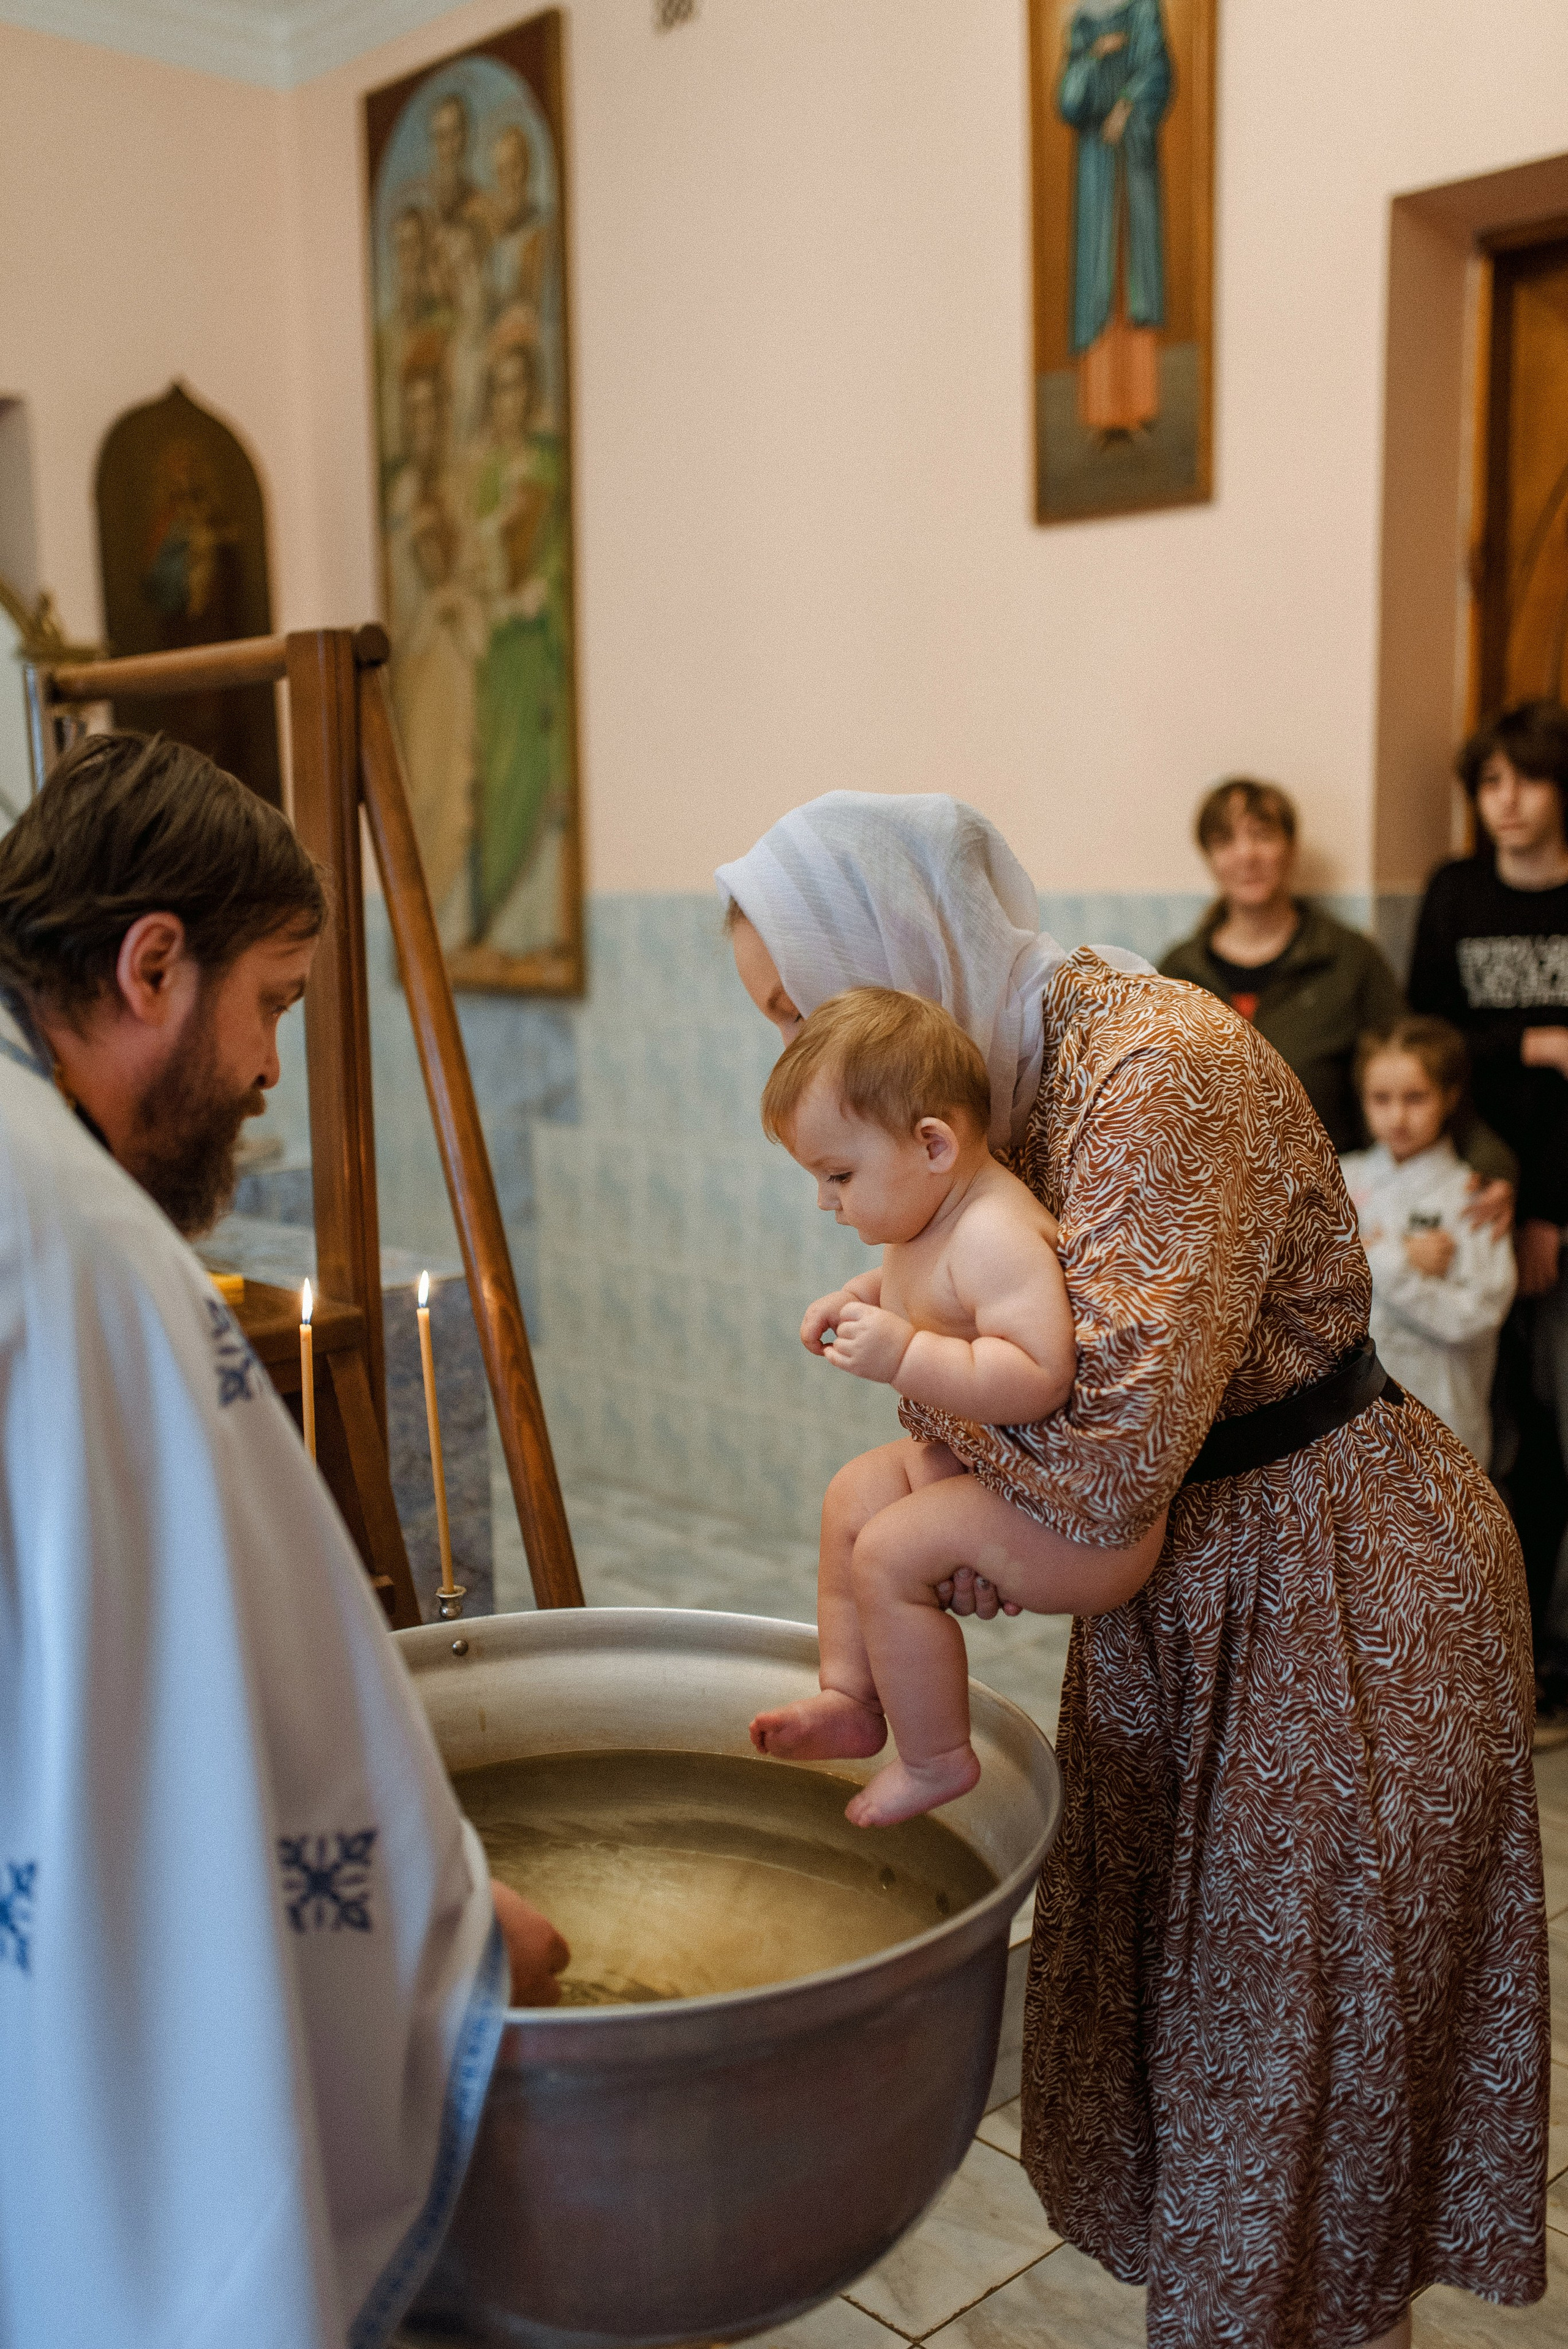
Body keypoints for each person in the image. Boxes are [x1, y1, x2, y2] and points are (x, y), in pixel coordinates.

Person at [717, 790, 1547, 2349]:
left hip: (1334, 1598)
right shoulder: (1008, 1084)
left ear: (894, 949)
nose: (797, 1045)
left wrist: (945, 1475)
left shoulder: (1153, 1072)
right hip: (1205, 1586)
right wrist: (954, 1495)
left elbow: (1098, 1467)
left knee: (1280, 2114)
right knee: (1222, 2101)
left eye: (794, 1003)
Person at [0, 732, 567, 2348]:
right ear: (152, 966)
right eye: (275, 1003)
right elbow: (225, 1678)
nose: (267, 1067)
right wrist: (453, 1925)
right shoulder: (76, 1239)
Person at [748, 989, 1076, 1825]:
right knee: (853, 1497)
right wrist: (859, 1296)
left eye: (839, 1175)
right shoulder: (935, 1212)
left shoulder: (995, 1231)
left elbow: (1040, 1372)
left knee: (890, 1550)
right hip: (991, 1467)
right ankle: (852, 1697)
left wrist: (902, 1354)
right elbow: (925, 1289)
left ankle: (937, 1757)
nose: (826, 1200)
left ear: (934, 1144)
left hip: (1059, 1500)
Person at [1409, 697, 1568, 1741]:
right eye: (1489, 783)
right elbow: (1429, 1035)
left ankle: (1554, 1664)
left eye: (1527, 779)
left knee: (1555, 1434)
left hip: (1555, 1212)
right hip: (1472, 1201)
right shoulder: (1455, 892)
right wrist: (1535, 1045)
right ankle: (1490, 1657)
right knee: (1486, 1437)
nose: (1506, 802)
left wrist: (1548, 1214)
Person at [1340, 1017, 1516, 1465]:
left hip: (1444, 1419)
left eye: (1416, 1098)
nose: (1398, 1117)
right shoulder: (1340, 1177)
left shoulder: (1474, 1197)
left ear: (1450, 1096)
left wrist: (1375, 1262)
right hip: (1345, 1428)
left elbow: (1477, 1316)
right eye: (1381, 1098)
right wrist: (1399, 1256)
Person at [1057, 0, 1172, 439]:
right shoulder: (1082, 22)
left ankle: (1137, 407)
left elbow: (1159, 70)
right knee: (1098, 273)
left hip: (1135, 159)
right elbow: (1068, 102)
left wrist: (1125, 106)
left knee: (1134, 274)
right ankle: (1103, 413)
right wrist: (1092, 56)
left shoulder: (1144, 10)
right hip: (1096, 167)